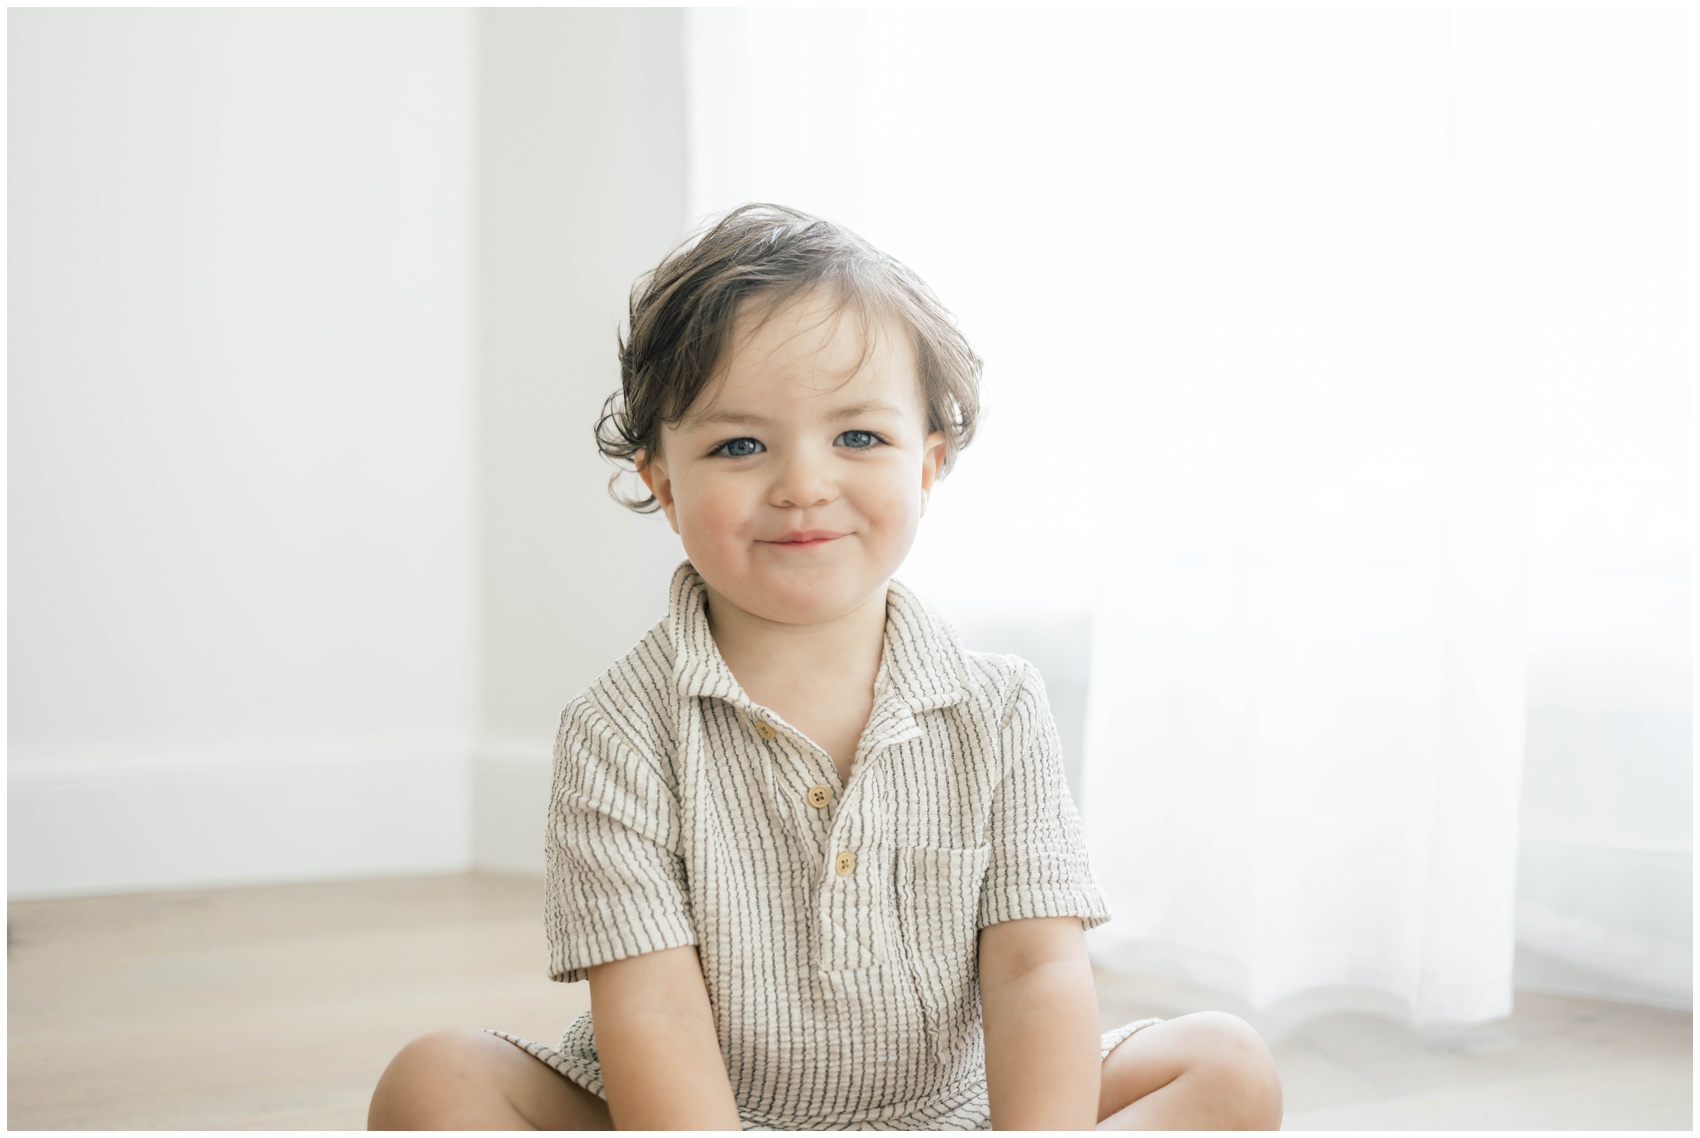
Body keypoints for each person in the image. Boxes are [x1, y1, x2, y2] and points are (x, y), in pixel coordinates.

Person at [368, 204, 1284, 1131]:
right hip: (699, 1115)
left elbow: (1036, 967)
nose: (804, 483)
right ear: (662, 480)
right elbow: (652, 1007)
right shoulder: (617, 731)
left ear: (928, 465)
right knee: (435, 1083)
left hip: (956, 1113)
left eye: (858, 438)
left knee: (1224, 1066)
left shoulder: (997, 707)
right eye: (739, 445)